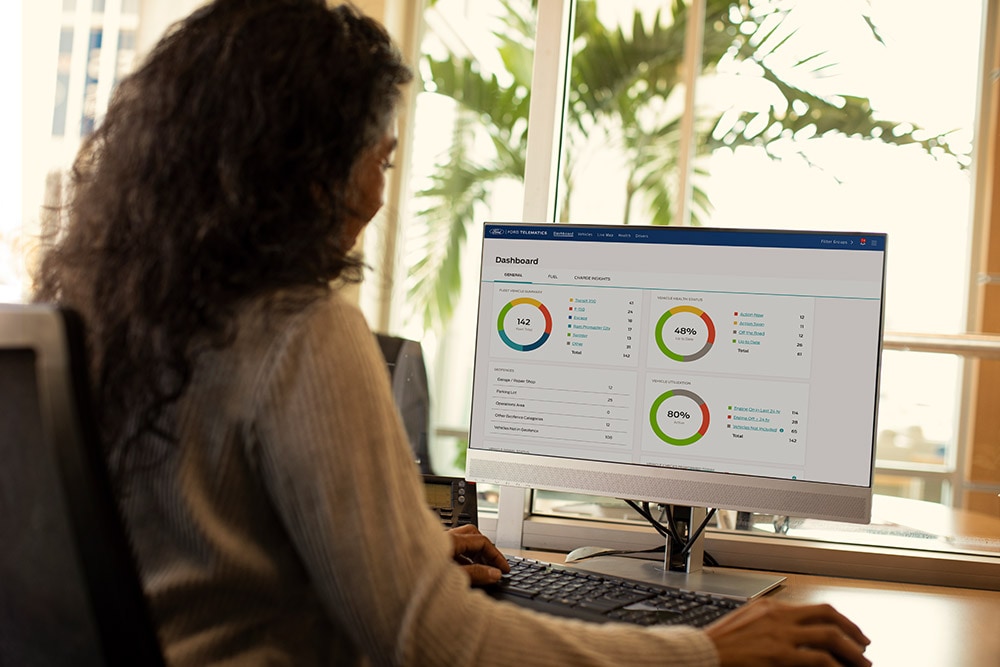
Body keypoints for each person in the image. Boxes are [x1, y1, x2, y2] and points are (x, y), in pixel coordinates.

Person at [34, 1, 872, 665]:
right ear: (307, 165)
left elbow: (201, 559)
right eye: (381, 159)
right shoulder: (301, 326)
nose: (379, 192)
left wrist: (396, 553)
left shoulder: (109, 309)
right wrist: (703, 651)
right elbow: (437, 644)